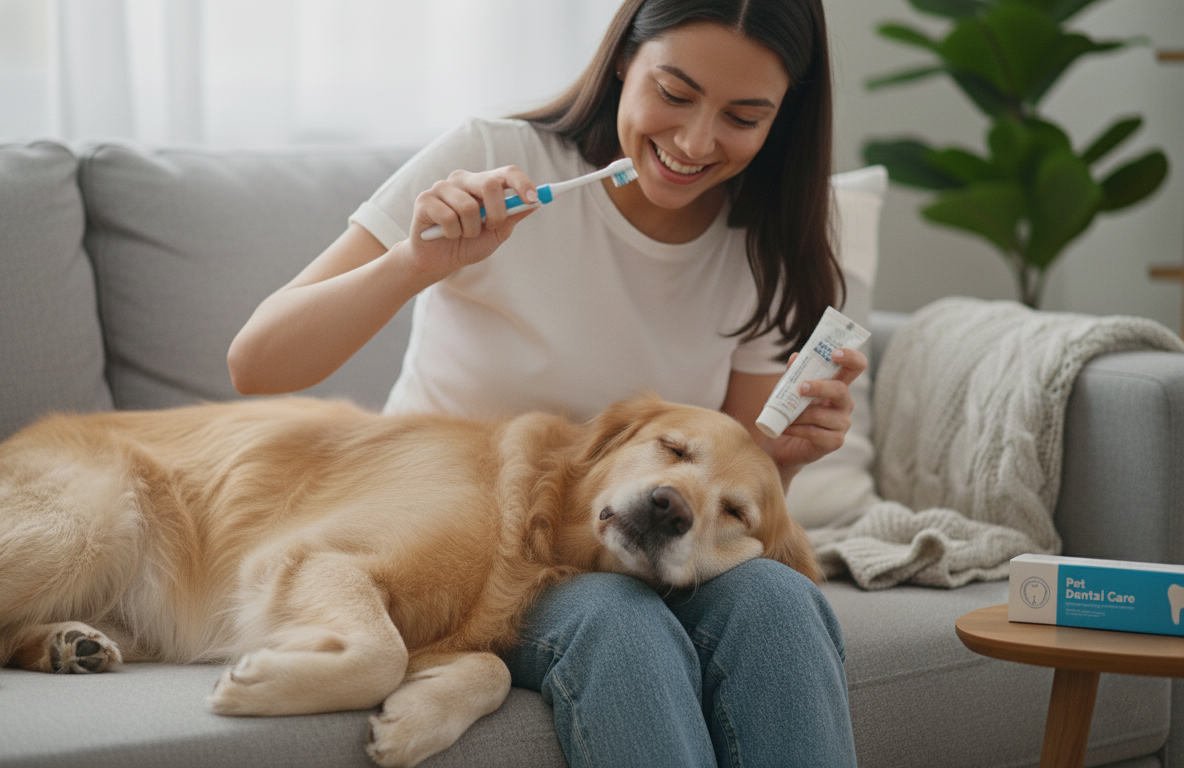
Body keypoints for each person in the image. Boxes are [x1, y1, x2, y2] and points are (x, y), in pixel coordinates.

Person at [227, 0, 862, 765]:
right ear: (623, 58)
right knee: (616, 618)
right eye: (675, 92)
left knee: (781, 600)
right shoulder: (493, 157)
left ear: (783, 115)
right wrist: (415, 262)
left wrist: (782, 458)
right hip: (463, 542)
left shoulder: (765, 245)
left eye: (743, 116)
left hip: (642, 554)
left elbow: (727, 498)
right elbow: (257, 362)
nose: (696, 142)